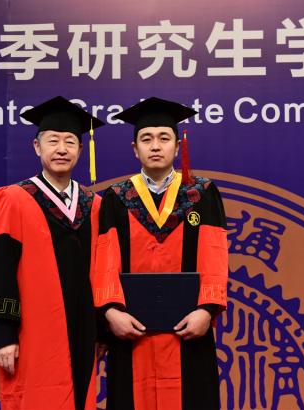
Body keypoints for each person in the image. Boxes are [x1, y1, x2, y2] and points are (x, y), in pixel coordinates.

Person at [0, 96, 105, 410]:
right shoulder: (14, 199)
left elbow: (104, 271)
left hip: (83, 331)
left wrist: (102, 331)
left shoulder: (94, 206)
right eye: (53, 140)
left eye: (70, 142)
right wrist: (3, 333)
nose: (61, 149)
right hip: (32, 332)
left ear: (80, 150)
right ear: (36, 147)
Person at [92, 97, 228, 410]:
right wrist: (111, 312)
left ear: (177, 147)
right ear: (135, 149)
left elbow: (215, 253)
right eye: (146, 139)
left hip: (189, 327)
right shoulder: (117, 198)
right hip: (131, 330)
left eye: (164, 138)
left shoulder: (201, 193)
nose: (155, 146)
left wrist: (206, 310)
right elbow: (105, 259)